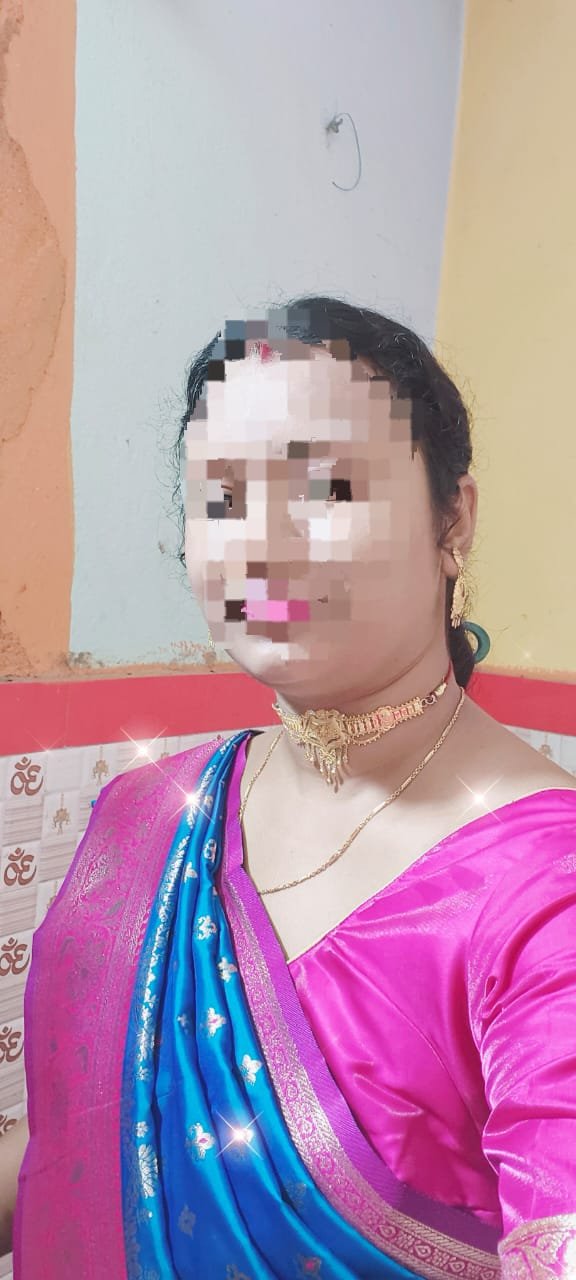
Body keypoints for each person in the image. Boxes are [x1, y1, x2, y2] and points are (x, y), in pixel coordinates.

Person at [8, 296, 576, 1278]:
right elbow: (72, 1146)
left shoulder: (545, 890)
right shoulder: (153, 811)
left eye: (325, 483)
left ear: (453, 519)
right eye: (221, 498)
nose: (260, 540)